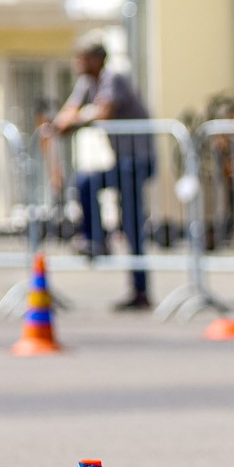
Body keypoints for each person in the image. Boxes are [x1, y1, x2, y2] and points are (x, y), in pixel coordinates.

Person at [53, 42, 156, 310]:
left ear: (97, 60)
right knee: (85, 183)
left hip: (137, 160)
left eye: (82, 58)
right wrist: (63, 122)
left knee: (132, 225)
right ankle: (95, 240)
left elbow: (104, 112)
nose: (77, 64)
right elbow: (70, 111)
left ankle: (140, 289)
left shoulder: (114, 79)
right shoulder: (88, 83)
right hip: (122, 162)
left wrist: (73, 120)